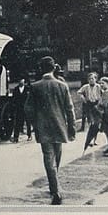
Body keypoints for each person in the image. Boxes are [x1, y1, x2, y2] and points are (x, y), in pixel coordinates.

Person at [24, 56, 76, 205]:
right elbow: (70, 110)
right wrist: (71, 128)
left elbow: (28, 109)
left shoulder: (35, 86)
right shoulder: (62, 85)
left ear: (41, 69)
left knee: (48, 158)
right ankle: (55, 187)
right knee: (57, 156)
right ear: (54, 68)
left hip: (43, 128)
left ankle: (55, 189)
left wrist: (35, 123)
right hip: (60, 127)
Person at [77, 72, 101, 146]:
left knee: (97, 124)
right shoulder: (86, 87)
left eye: (93, 78)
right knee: (91, 122)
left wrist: (100, 101)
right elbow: (79, 92)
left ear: (95, 79)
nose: (91, 80)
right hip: (89, 105)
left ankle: (95, 140)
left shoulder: (98, 86)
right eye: (90, 79)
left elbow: (104, 93)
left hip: (96, 105)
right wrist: (83, 98)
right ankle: (90, 140)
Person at [11, 78, 32, 143]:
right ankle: (16, 137)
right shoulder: (16, 89)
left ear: (24, 81)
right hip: (19, 108)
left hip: (26, 108)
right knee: (17, 123)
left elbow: (30, 98)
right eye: (20, 81)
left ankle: (29, 135)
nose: (21, 82)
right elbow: (13, 98)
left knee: (28, 122)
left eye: (22, 81)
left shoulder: (27, 89)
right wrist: (15, 105)